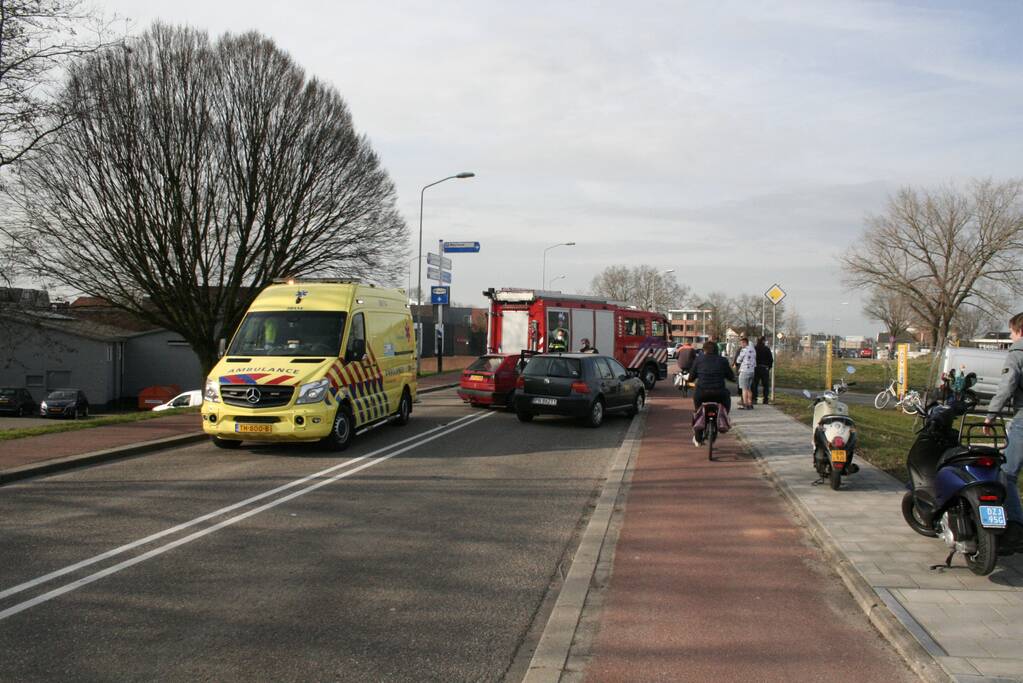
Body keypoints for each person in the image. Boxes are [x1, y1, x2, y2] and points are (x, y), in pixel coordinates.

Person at [984, 312, 1023, 550]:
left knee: (1007, 475)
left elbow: (1007, 386)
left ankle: (1016, 529)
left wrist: (990, 416)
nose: (1010, 336)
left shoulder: (1018, 353)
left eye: (1011, 331)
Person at [689, 340, 735, 446]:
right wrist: (732, 378)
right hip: (719, 393)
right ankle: (723, 419)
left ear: (704, 350)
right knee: (727, 399)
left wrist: (691, 380)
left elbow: (691, 377)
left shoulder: (698, 360)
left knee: (697, 412)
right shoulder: (723, 360)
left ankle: (698, 436)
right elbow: (730, 376)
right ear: (717, 350)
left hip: (702, 393)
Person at [735, 336, 757, 409]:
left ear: (745, 343)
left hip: (744, 371)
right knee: (749, 388)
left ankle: (745, 404)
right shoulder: (753, 350)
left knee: (744, 389)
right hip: (752, 371)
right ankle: (750, 403)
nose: (741, 345)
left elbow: (738, 360)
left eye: (741, 343)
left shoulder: (744, 350)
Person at [752, 336, 774, 405]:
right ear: (763, 341)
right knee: (765, 385)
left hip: (756, 368)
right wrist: (769, 367)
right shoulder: (766, 349)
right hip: (765, 368)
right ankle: (765, 399)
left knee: (755, 384)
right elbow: (771, 360)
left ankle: (754, 399)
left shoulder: (754, 349)